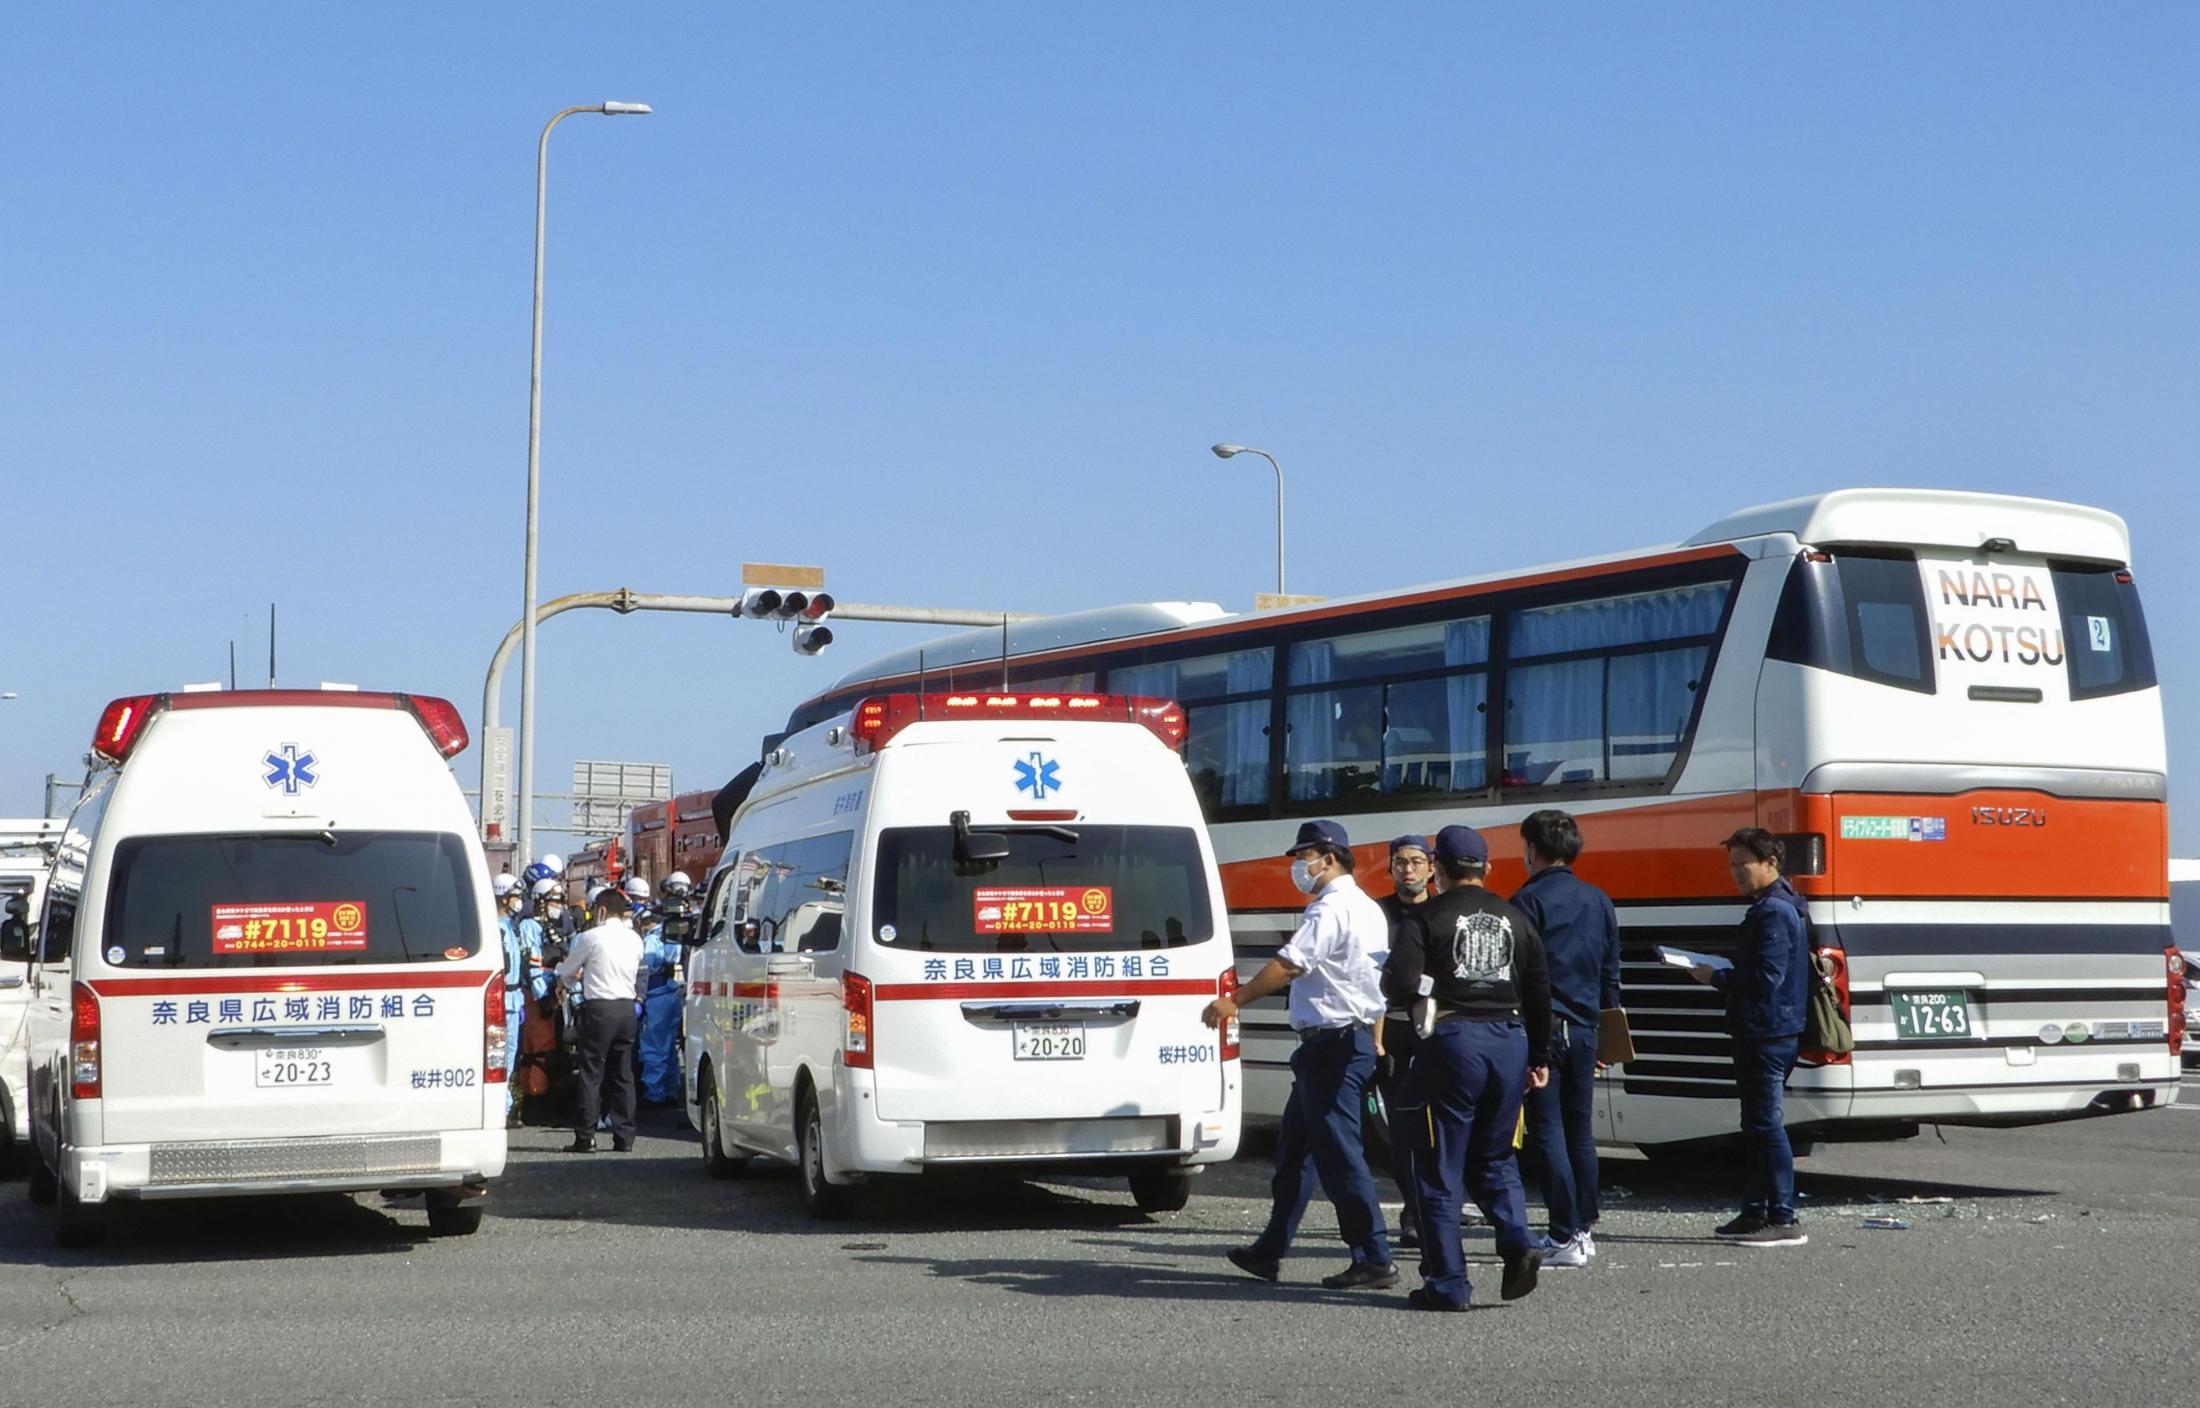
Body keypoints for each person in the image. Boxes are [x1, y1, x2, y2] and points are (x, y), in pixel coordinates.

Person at [1204, 819, 1396, 1290]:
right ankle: (1270, 1250)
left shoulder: (1329, 910)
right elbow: (1371, 984)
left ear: (1327, 857)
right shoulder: (1368, 908)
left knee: (1340, 1156)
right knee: (1294, 1154)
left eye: (1301, 857)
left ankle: (1374, 1256)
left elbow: (1289, 965)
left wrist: (1236, 1001)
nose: (1298, 867)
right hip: (1334, 1046)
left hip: (1332, 1046)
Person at [1386, 825, 1552, 1311]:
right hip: (1511, 1040)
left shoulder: (1428, 915)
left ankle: (1448, 1282)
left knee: (1438, 1166)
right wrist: (1539, 1057)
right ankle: (1518, 1239)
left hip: (1455, 1039)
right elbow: (1541, 994)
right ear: (1487, 868)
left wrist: (1424, 992)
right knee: (1497, 1157)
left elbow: (1399, 981)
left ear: (1437, 867)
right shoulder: (1516, 917)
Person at [1690, 827, 1811, 1247]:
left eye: (1744, 865)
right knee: (1757, 1124)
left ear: (1771, 863)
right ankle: (1756, 1210)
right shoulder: (1783, 904)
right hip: (1775, 1026)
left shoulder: (1773, 911)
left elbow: (1767, 978)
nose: (1736, 873)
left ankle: (1782, 1214)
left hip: (1767, 1029)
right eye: (1732, 865)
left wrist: (1716, 976)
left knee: (1765, 1123)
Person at [1512, 809, 1621, 1269]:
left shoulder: (1526, 902)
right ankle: (1583, 1226)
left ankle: (1562, 1231)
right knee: (1580, 1128)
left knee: (1547, 1127)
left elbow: (1519, 974)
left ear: (1533, 849)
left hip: (1544, 1025)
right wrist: (1605, 1032)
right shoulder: (1598, 900)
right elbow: (1610, 973)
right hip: (1587, 1026)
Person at [1373, 834, 1437, 1249]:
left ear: (1432, 867)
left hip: (1437, 1025)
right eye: (1400, 862)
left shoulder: (1444, 910)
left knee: (1441, 1123)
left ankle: (1437, 1204)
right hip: (1391, 1026)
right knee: (1398, 1124)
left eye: (1416, 862)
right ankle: (1413, 1211)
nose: (1408, 869)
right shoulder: (1377, 913)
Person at [555, 888, 646, 1153]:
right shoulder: (635, 939)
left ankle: (586, 1136)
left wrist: (562, 980)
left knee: (591, 1074)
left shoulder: (590, 937)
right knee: (623, 1074)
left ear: (602, 910)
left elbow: (568, 970)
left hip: (598, 1009)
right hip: (626, 1009)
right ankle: (624, 1137)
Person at [636, 871, 690, 1106]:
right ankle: (670, 1089)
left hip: (657, 994)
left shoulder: (655, 936)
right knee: (668, 1047)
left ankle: (653, 1093)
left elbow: (647, 966)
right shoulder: (688, 928)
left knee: (654, 1047)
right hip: (674, 992)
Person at [493, 873, 535, 1126]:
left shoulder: (510, 925)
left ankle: (505, 1105)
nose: (519, 902)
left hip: (513, 999)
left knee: (508, 1056)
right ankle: (501, 1107)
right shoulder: (496, 928)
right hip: (502, 1000)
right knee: (500, 1056)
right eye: (516, 896)